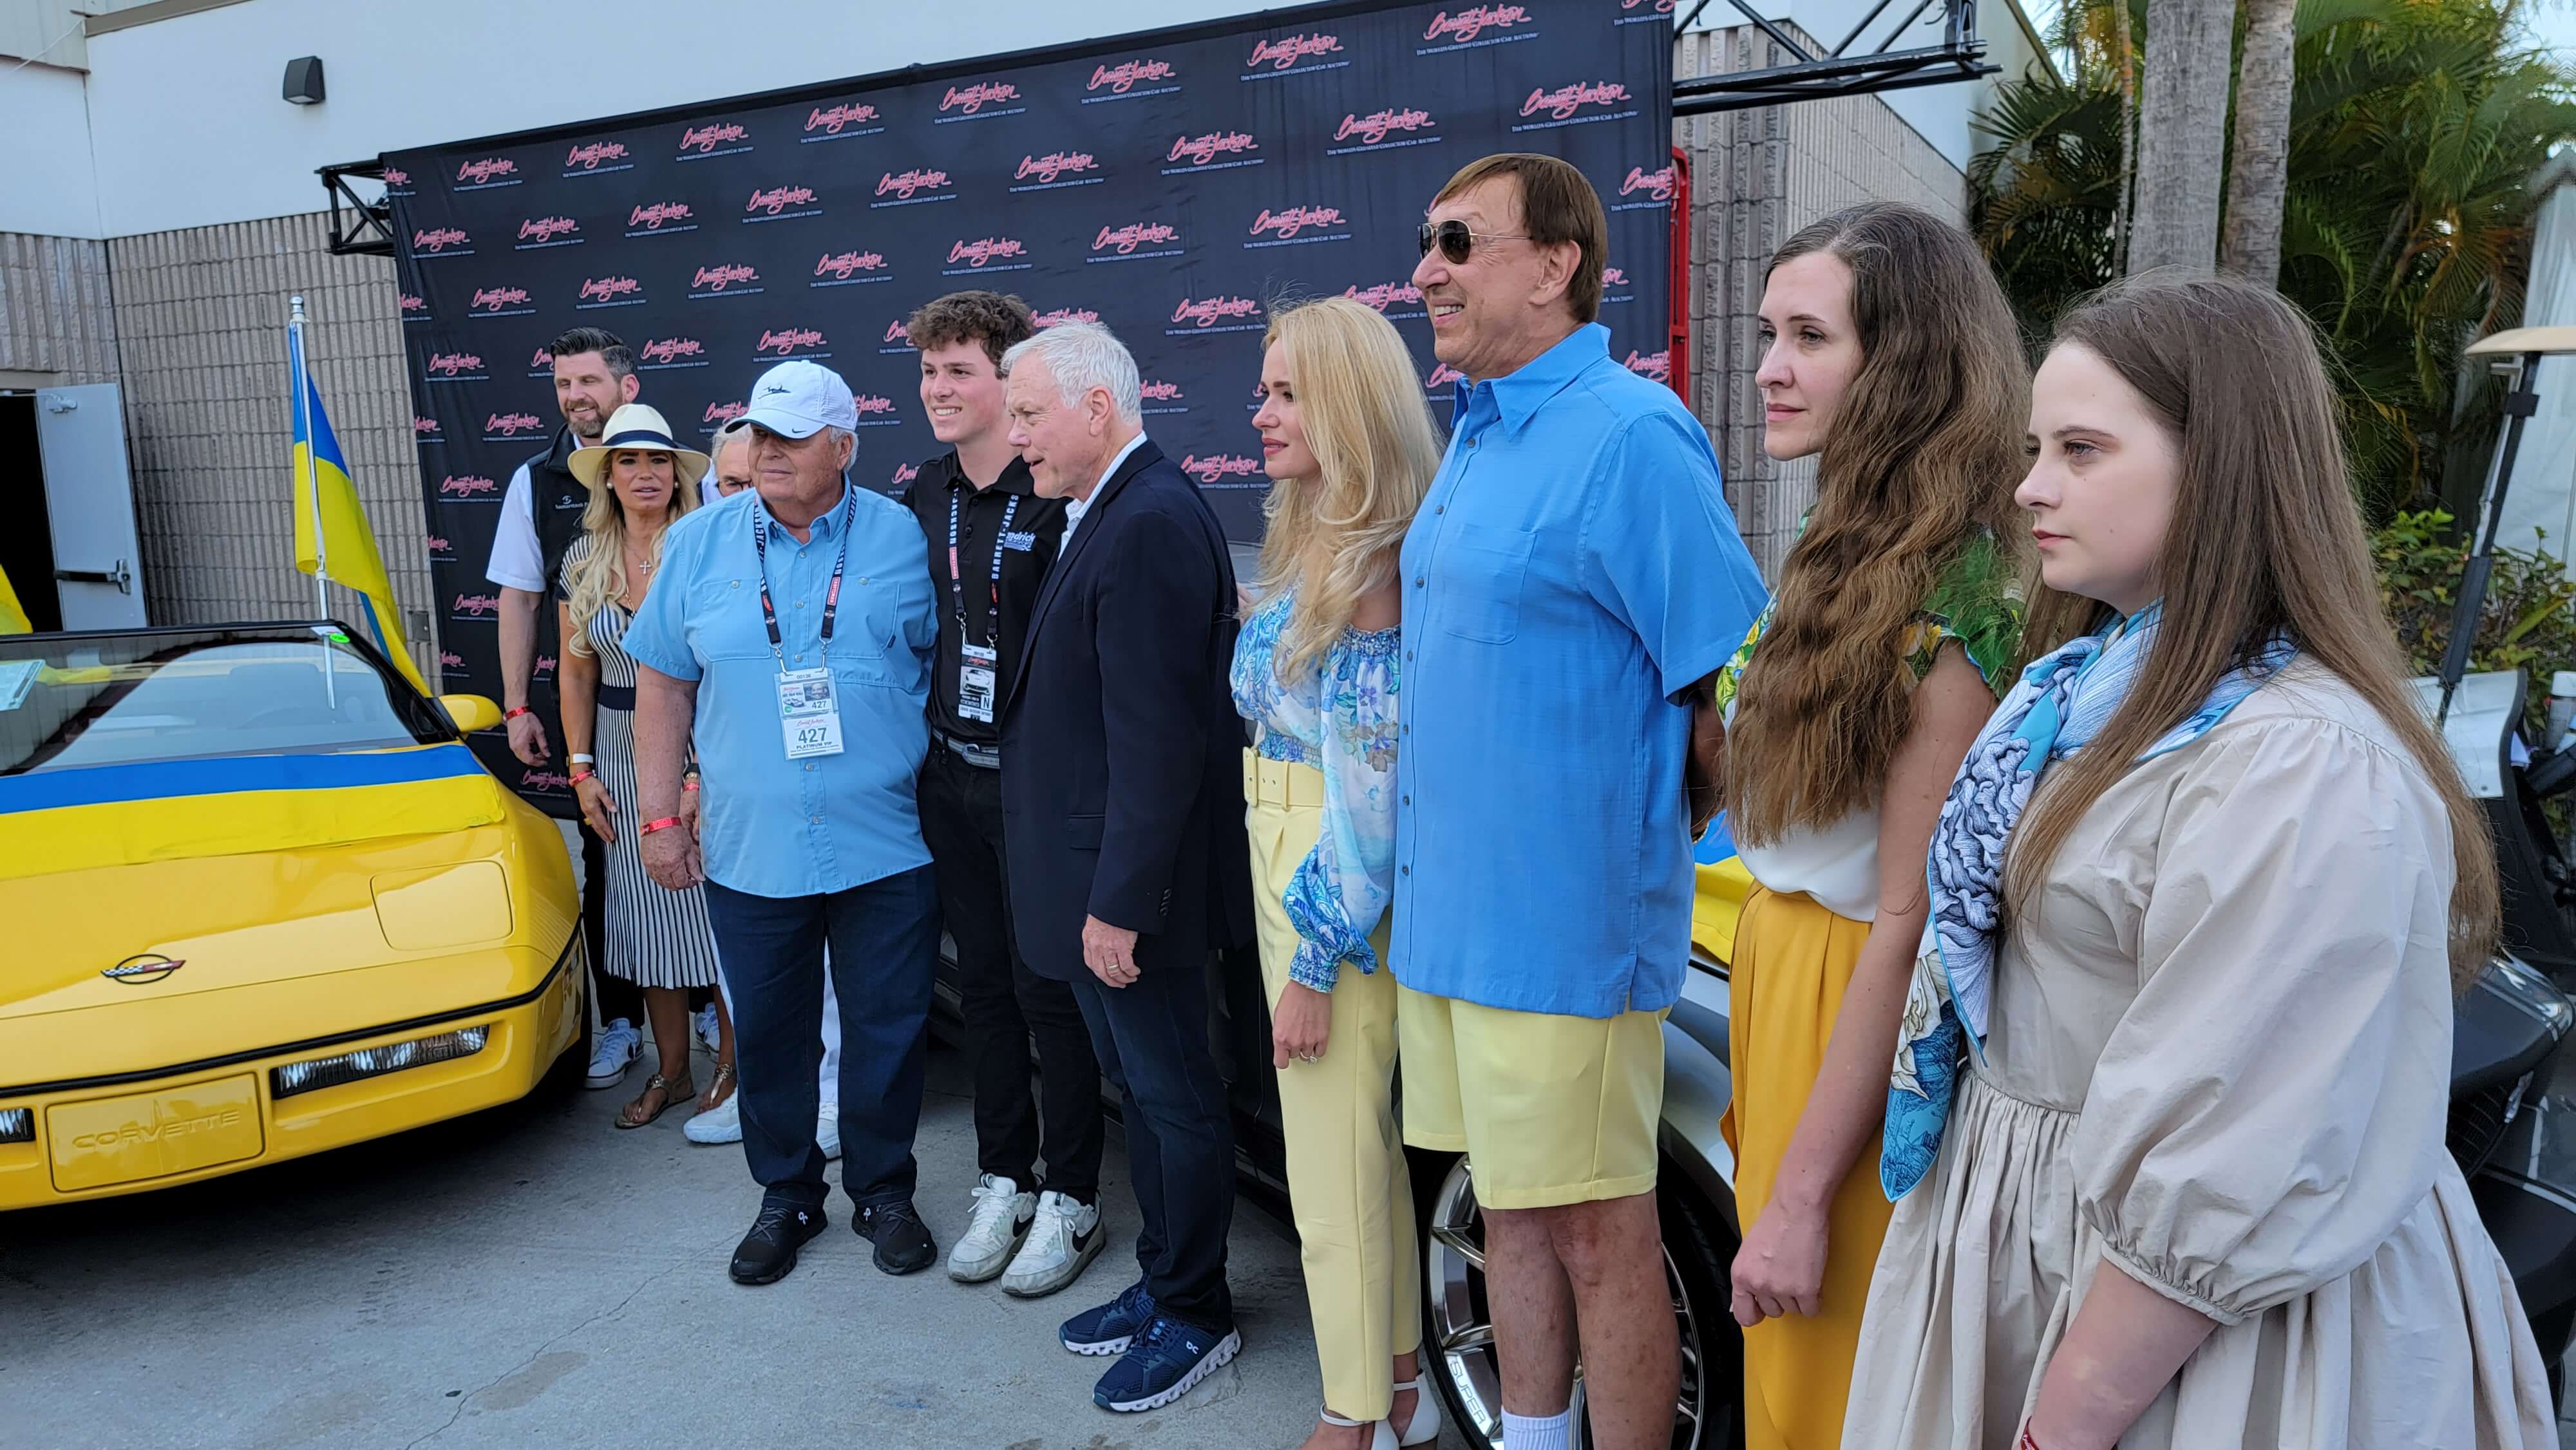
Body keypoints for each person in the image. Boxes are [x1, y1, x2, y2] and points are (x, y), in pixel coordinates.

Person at [1844, 274, 2557, 1449]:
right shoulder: (2082, 693)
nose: (2030, 487)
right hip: (2052, 1254)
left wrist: (2072, 1407)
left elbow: (2245, 1134)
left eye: (2081, 449)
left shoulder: (2299, 759)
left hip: (2195, 1339)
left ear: (2220, 466)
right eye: (2037, 447)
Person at [1392, 153, 1766, 1450]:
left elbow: (1727, 686)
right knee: (1505, 1210)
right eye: (1425, 242)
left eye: (1456, 242)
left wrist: (1624, 847)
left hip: (1561, 939)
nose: (1424, 269)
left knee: (1600, 1232)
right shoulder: (1479, 431)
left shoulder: (1630, 433)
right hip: (1446, 925)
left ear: (1554, 265)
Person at [1712, 203, 2075, 1450]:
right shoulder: (1839, 543)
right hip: (1784, 973)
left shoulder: (1961, 594)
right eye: (1769, 331)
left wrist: (1803, 1191)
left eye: (1808, 335)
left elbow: (1913, 917)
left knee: (1825, 1385)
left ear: (1904, 366)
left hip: (1852, 1007)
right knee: (1784, 1377)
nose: (1766, 363)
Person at [622, 359, 943, 1288]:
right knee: (768, 1032)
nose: (767, 452)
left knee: (886, 1030)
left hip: (887, 840)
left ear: (844, 446)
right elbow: (663, 683)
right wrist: (657, 817)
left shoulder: (903, 536)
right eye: (759, 433)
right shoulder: (700, 542)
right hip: (750, 847)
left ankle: (885, 1190)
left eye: (791, 437)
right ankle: (786, 1195)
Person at [996, 321, 1255, 1415]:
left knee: (1173, 1100)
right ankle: (1163, 1285)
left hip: (1127, 899)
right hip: (1097, 887)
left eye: (1029, 414)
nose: (1017, 442)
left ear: (1096, 407)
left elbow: (1158, 744)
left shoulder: (1146, 519)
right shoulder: (1112, 509)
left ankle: (1196, 1312)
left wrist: (1121, 904)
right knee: (1147, 1101)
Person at [1231, 297, 1446, 1450]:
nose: (1259, 412)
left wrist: (1313, 955)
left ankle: (1353, 1411)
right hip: (1283, 837)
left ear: (1348, 403)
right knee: (1353, 1148)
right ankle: (1396, 1381)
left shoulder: (1375, 556)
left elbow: (1372, 790)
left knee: (1331, 1159)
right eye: (1265, 389)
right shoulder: (1315, 530)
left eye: (1284, 392)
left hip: (1327, 869)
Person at [896, 290, 1106, 1297]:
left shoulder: (1058, 491)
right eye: (929, 371)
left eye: (959, 371)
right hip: (952, 780)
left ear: (1009, 382)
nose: (938, 389)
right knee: (981, 991)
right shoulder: (920, 496)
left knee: (1048, 992)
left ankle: (1073, 1195)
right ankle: (1003, 1178)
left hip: (1039, 790)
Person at [556, 403, 734, 1129]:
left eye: (658, 460)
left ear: (677, 472)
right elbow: (575, 673)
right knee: (643, 917)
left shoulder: (709, 545)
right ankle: (673, 1072)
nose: (644, 473)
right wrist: (580, 766)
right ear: (607, 476)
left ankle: (733, 1066)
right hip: (618, 750)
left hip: (705, 738)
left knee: (720, 913)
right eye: (628, 461)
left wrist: (696, 771)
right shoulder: (583, 559)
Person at [483, 327, 647, 1089]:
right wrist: (516, 704)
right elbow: (519, 596)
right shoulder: (534, 479)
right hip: (596, 698)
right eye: (563, 385)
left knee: (710, 848)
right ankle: (620, 1021)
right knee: (607, 860)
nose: (576, 396)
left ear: (627, 387)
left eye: (589, 381)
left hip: (691, 698)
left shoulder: (674, 466)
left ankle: (714, 1005)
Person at [681, 424, 841, 1161]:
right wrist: (685, 779)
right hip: (737, 797)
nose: (747, 495)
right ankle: (763, 1091)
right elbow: (678, 681)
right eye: (731, 482)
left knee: (833, 969)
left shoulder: (845, 544)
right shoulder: (701, 546)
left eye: (755, 478)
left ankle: (833, 1095)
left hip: (830, 793)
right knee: (748, 966)